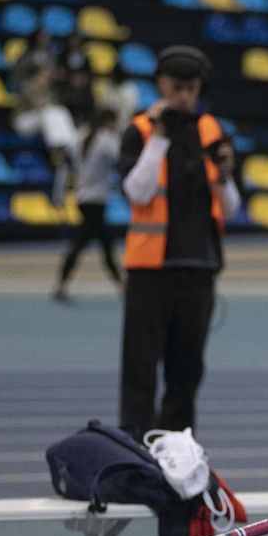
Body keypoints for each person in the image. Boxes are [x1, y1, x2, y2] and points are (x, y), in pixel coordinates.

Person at [116, 46, 240, 437]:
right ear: (162, 84)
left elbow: (232, 208)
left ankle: (175, 449)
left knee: (186, 372)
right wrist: (159, 139)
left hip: (199, 268)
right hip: (151, 269)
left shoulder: (212, 130)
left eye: (192, 87)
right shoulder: (140, 130)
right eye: (177, 87)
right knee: (140, 368)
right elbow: (137, 192)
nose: (184, 95)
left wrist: (224, 175)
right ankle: (136, 446)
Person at [53, 109, 124, 302]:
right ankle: (122, 286)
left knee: (101, 243)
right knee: (88, 243)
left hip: (83, 198)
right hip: (96, 200)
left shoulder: (80, 136)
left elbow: (65, 165)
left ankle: (122, 285)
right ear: (109, 121)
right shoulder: (106, 139)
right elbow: (122, 157)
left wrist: (58, 194)